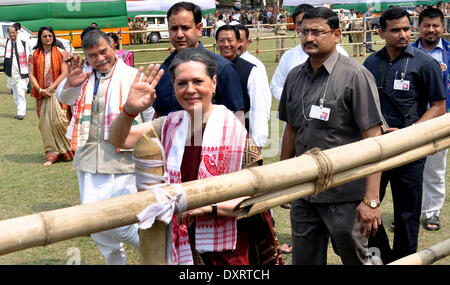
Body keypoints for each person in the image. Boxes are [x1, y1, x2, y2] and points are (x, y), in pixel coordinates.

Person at [108, 47, 284, 265]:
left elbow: (256, 197)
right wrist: (129, 110)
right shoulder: (169, 125)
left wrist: (205, 207)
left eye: (198, 81)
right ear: (173, 87)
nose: (190, 89)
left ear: (214, 83)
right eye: (182, 83)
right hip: (181, 240)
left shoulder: (234, 133)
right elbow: (120, 139)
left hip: (228, 246)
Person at [278, 7, 384, 265]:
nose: (308, 38)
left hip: (345, 193)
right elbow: (291, 129)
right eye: (303, 32)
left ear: (337, 34)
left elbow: (375, 139)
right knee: (304, 260)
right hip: (305, 193)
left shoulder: (355, 75)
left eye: (317, 32)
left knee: (355, 259)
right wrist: (282, 179)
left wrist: (371, 200)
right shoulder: (294, 76)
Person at [56, 28, 155, 265]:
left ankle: (162, 252)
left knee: (122, 224)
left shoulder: (132, 75)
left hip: (124, 160)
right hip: (89, 160)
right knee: (95, 223)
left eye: (103, 52)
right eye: (93, 55)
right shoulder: (84, 76)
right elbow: (64, 99)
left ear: (113, 47)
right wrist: (71, 83)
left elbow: (150, 115)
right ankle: (115, 260)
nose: (100, 59)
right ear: (86, 56)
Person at [363, 7, 446, 263]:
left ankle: (405, 260)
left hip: (410, 151)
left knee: (407, 214)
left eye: (407, 29)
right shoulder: (370, 64)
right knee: (367, 206)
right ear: (381, 33)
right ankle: (381, 257)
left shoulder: (426, 63)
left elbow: (438, 106)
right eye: (396, 30)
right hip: (376, 149)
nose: (403, 34)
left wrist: (410, 133)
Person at [152, 2, 245, 123]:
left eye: (185, 28)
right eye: (174, 29)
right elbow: (159, 114)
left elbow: (237, 117)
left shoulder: (222, 68)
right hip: (171, 140)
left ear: (199, 28)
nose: (179, 34)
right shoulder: (163, 71)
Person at [411, 8, 449, 231]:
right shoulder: (406, 51)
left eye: (436, 25)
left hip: (440, 121)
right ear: (419, 26)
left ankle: (431, 213)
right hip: (411, 121)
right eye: (427, 25)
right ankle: (408, 212)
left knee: (435, 170)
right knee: (407, 173)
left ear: (443, 27)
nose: (431, 30)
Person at [270, 4, 348, 102]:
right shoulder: (288, 57)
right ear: (295, 27)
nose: (306, 27)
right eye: (300, 23)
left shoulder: (340, 54)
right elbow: (276, 86)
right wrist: (293, 100)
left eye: (314, 28)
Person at [215, 25, 270, 149]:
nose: (226, 44)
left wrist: (257, 143)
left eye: (230, 40)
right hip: (214, 135)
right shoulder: (209, 67)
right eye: (221, 41)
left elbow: (258, 106)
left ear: (238, 42)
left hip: (240, 134)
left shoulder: (251, 70)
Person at [28, 26, 74, 166]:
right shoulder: (34, 54)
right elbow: (31, 74)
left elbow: (65, 73)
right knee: (46, 124)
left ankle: (69, 151)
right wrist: (40, 89)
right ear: (40, 38)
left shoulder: (61, 52)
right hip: (41, 95)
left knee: (61, 121)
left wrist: (52, 88)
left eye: (50, 36)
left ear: (53, 37)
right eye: (45, 36)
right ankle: (52, 154)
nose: (48, 38)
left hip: (59, 93)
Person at [235, 24, 272, 121]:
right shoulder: (222, 63)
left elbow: (264, 95)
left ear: (248, 42)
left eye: (241, 41)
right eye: (234, 40)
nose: (236, 45)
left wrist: (264, 119)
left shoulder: (255, 65)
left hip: (249, 120)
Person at [0, 25, 31, 120]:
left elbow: (29, 54)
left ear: (17, 32)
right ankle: (19, 109)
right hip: (11, 73)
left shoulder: (23, 42)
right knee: (15, 93)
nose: (12, 34)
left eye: (13, 32)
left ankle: (21, 113)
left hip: (22, 72)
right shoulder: (8, 42)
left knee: (21, 91)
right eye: (10, 33)